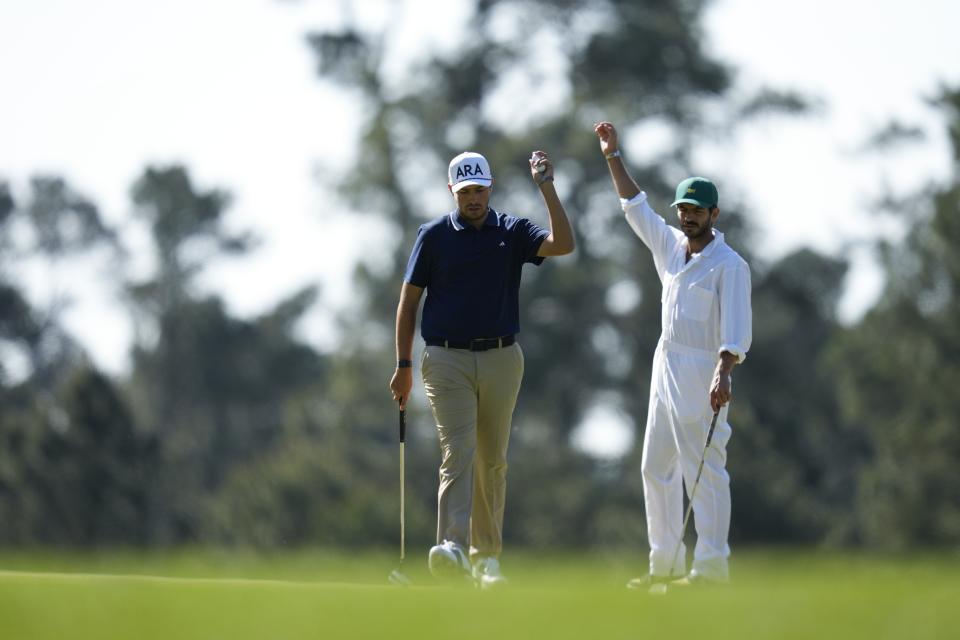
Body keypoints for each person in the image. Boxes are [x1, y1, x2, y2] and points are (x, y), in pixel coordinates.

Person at [389, 150, 574, 588]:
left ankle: (486, 559)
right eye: (465, 191)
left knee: (493, 459)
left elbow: (563, 244)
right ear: (452, 191)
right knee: (460, 450)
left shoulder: (512, 230)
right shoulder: (432, 235)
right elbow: (408, 303)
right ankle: (451, 546)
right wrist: (403, 365)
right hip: (445, 358)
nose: (473, 199)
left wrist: (546, 185)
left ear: (490, 187)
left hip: (502, 358)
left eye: (479, 190)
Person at [594, 121, 752, 587]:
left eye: (697, 211)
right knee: (654, 468)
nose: (688, 217)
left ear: (714, 213)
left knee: (704, 472)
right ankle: (663, 566)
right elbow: (634, 206)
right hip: (665, 368)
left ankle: (711, 569)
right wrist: (612, 156)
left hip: (704, 371)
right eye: (683, 209)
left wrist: (723, 374)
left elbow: (736, 332)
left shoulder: (730, 266)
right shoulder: (670, 247)